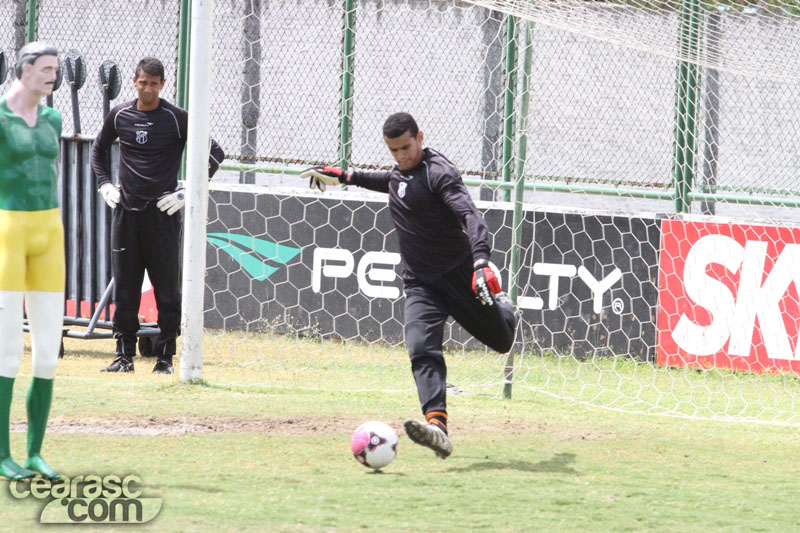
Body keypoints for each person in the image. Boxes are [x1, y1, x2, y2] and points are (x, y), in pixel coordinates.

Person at [301, 112, 517, 459]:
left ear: (420, 136)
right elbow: (390, 180)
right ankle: (438, 428)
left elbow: (471, 216)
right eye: (394, 150)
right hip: (420, 284)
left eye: (406, 147)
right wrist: (345, 175)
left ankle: (503, 302)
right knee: (420, 349)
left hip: (459, 276)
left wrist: (480, 261)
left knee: (503, 340)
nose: (401, 156)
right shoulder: (401, 171)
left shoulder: (439, 174)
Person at [91, 57, 224, 375]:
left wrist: (186, 193)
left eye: (153, 83)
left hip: (163, 217)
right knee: (125, 288)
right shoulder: (120, 114)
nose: (147, 88)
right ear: (134, 82)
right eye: (142, 82)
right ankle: (124, 356)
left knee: (167, 288)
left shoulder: (176, 118)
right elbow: (98, 149)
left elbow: (215, 152)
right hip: (127, 215)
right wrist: (105, 185)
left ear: (163, 84)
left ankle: (165, 357)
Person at [0, 42, 63, 480]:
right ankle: (2, 455)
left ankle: (36, 452)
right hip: (7, 233)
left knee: (47, 355)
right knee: (5, 355)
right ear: (23, 70)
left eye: (56, 70)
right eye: (45, 69)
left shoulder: (55, 119)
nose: (52, 76)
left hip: (49, 233)